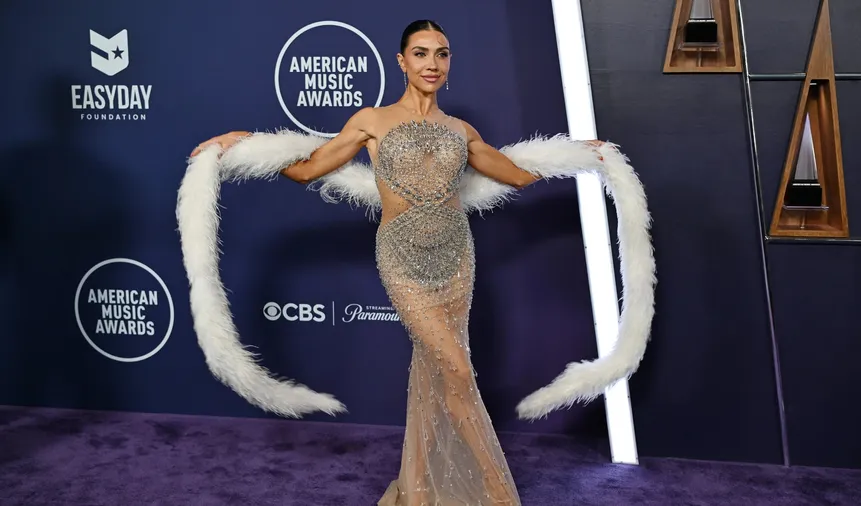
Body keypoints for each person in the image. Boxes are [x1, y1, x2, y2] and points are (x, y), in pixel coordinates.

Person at [184, 19, 655, 506]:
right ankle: (498, 492)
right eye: (421, 53)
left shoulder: (461, 130)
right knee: (458, 371)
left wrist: (580, 153)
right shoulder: (371, 121)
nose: (432, 63)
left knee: (437, 369)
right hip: (402, 258)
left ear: (449, 63)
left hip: (457, 258)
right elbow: (307, 170)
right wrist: (244, 142)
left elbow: (516, 175)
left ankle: (422, 487)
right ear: (402, 61)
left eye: (441, 54)